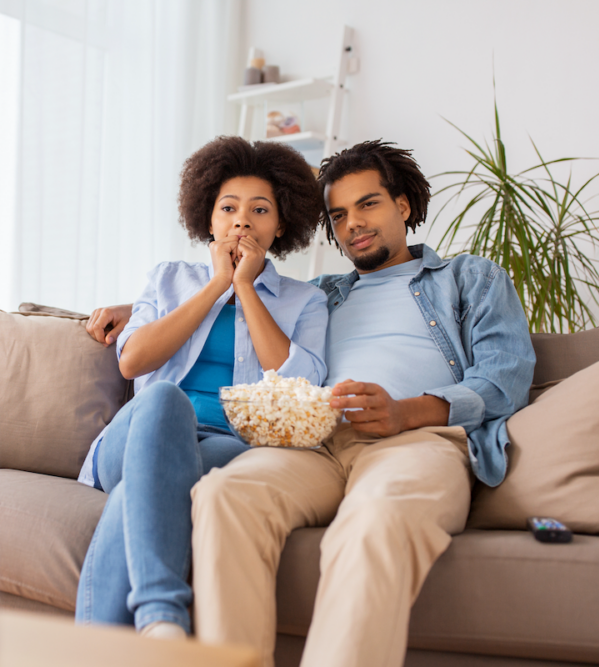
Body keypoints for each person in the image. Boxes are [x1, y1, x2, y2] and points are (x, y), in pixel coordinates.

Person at [88, 140, 535, 665]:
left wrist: (406, 410)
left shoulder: (468, 278)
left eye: (368, 204)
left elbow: (505, 380)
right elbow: (235, 305)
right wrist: (133, 305)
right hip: (313, 444)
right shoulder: (322, 292)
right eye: (339, 214)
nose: (353, 225)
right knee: (223, 497)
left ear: (403, 206)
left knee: (375, 522)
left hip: (412, 438)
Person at [75, 136, 329, 641]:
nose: (242, 221)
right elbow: (132, 361)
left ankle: (135, 636)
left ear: (280, 225)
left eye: (260, 210)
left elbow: (299, 385)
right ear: (208, 219)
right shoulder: (169, 278)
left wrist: (245, 289)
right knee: (165, 399)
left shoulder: (306, 301)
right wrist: (216, 286)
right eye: (228, 208)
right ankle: (161, 613)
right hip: (138, 435)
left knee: (139, 492)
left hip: (228, 447)